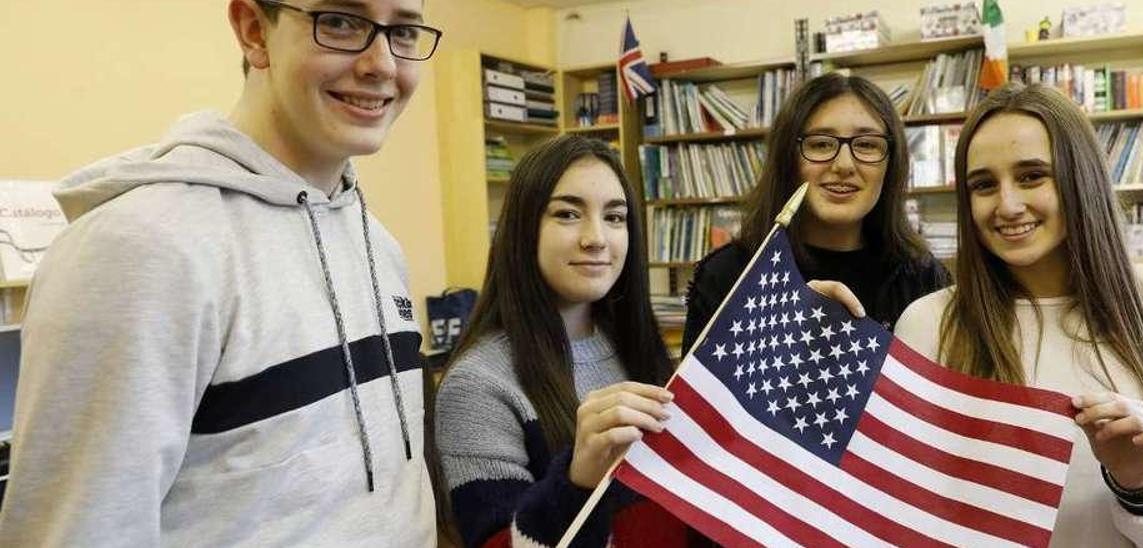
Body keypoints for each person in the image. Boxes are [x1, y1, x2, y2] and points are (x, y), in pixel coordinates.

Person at [0, 1, 442, 545]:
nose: (383, 64)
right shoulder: (138, 251)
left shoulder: (378, 243)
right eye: (341, 21)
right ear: (255, 30)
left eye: (403, 31)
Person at [895, 82, 1143, 546]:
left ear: (1081, 179)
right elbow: (903, 509)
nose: (1008, 205)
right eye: (983, 185)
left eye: (1032, 175)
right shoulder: (929, 324)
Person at [433, 135, 708, 547]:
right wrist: (578, 480)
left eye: (615, 217)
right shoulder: (477, 385)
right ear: (523, 228)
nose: (596, 237)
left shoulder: (639, 351)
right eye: (567, 214)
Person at [682, 73, 950, 355]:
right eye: (821, 144)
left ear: (891, 164)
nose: (844, 164)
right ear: (788, 158)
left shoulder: (925, 280)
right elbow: (693, 396)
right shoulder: (729, 275)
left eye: (867, 144)